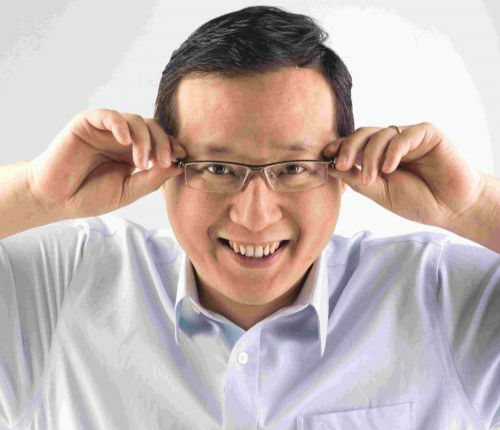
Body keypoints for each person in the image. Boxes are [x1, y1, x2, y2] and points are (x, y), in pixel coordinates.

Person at [0, 5, 499, 430]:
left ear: (343, 171)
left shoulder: (441, 301)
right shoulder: (63, 291)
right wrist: (37, 192)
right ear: (163, 168)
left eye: (293, 168)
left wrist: (474, 205)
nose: (255, 215)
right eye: (218, 168)